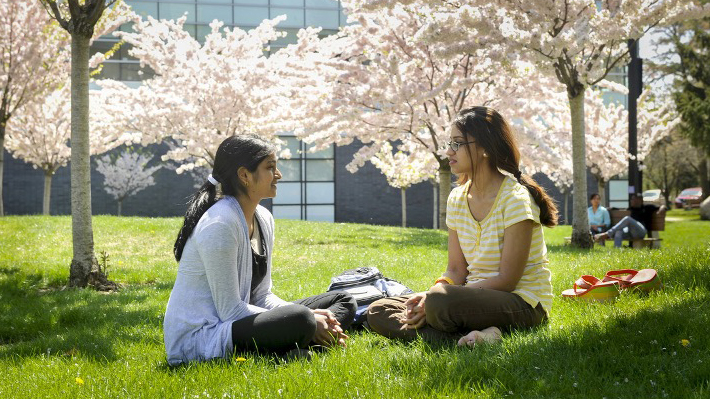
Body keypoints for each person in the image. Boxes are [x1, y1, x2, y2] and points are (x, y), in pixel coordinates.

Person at [367, 107, 557, 347]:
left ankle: (452, 328)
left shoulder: (515, 199)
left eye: (457, 143)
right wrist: (432, 292)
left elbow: (508, 279)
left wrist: (434, 299)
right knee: (378, 309)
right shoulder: (457, 198)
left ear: (485, 148)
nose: (449, 151)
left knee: (439, 302)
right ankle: (481, 336)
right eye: (450, 143)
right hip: (469, 300)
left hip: (522, 303)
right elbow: (456, 270)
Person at [163, 135, 356, 365]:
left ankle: (294, 343)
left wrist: (309, 318)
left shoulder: (263, 218)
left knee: (343, 300)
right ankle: (297, 342)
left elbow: (262, 296)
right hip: (205, 337)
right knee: (302, 318)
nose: (278, 175)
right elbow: (230, 311)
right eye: (270, 167)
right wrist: (309, 319)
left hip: (237, 323)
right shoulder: (220, 224)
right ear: (244, 175)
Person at [594, 193, 665, 248]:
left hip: (641, 232)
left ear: (639, 200)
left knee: (627, 219)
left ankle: (607, 234)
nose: (631, 201)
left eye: (633, 199)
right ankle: (617, 250)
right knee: (618, 231)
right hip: (631, 233)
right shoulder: (631, 208)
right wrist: (610, 208)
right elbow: (619, 209)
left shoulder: (647, 207)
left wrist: (662, 208)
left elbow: (663, 206)